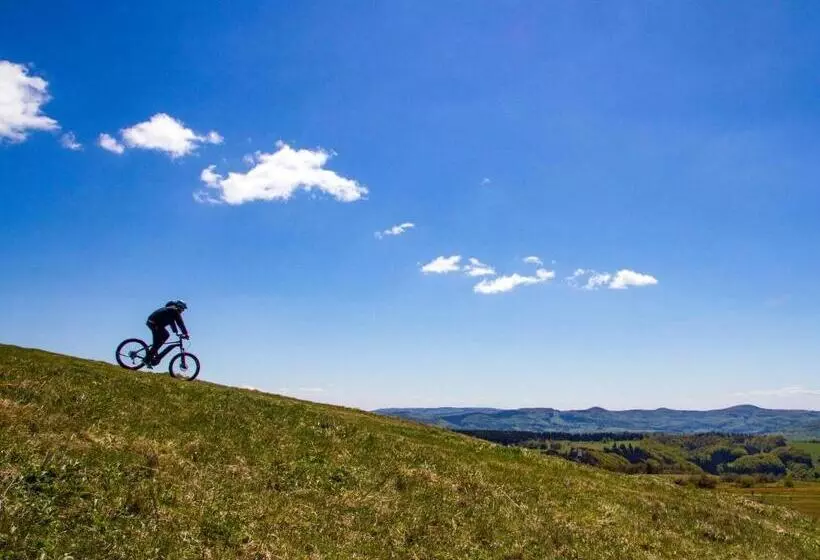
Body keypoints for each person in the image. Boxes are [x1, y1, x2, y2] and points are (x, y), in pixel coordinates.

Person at [145, 300, 189, 367]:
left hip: (153, 323)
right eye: (183, 309)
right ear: (180, 307)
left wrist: (176, 332)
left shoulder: (171, 310)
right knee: (161, 339)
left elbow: (172, 322)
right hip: (154, 324)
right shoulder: (174, 310)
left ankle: (153, 354)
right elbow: (180, 323)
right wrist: (185, 334)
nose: (183, 311)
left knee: (163, 337)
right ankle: (147, 360)